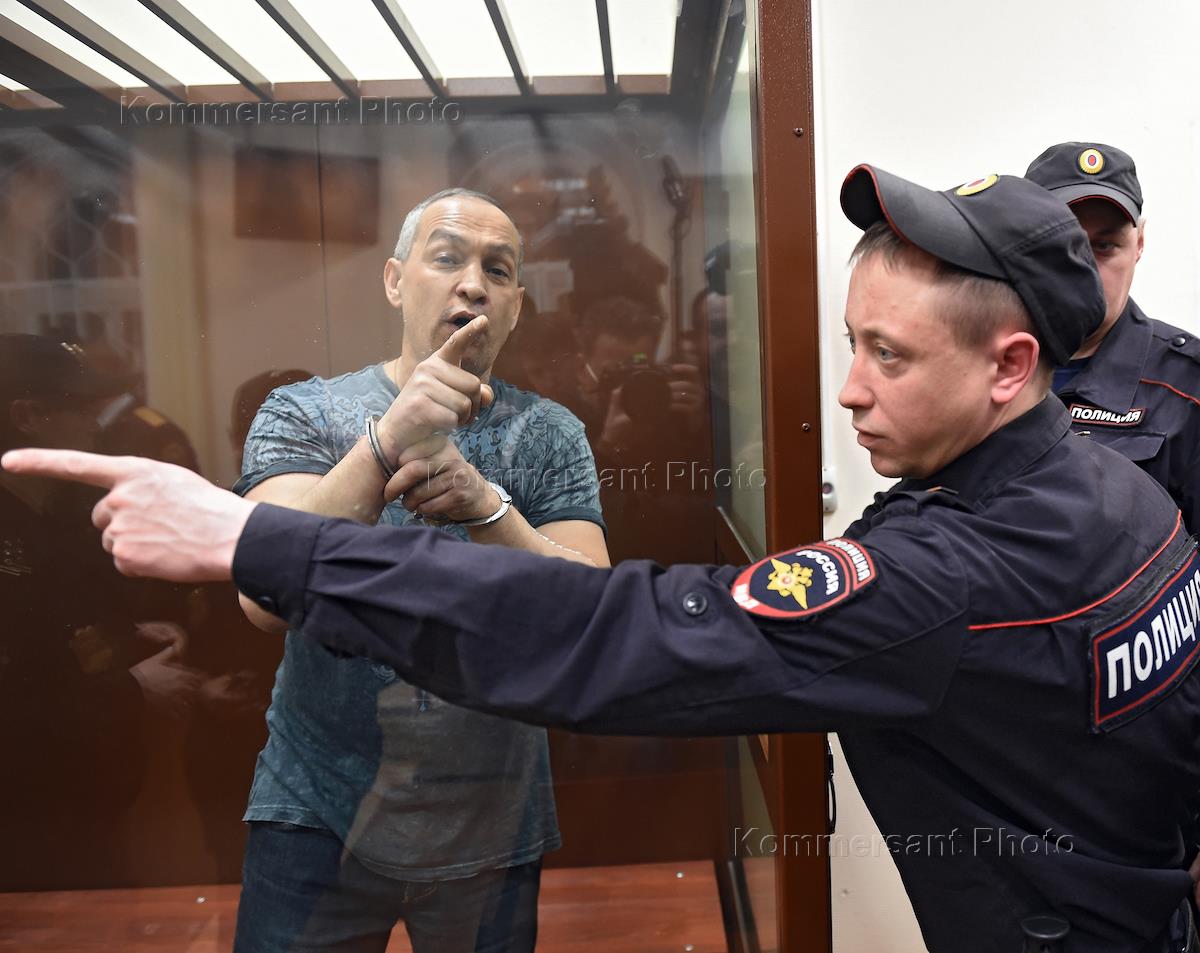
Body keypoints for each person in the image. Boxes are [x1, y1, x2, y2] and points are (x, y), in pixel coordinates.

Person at [9, 167, 1200, 952]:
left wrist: (263, 536)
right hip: (322, 797)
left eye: (886, 355)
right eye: (852, 343)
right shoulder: (1126, 497)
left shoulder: (957, 568)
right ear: (393, 279)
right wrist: (372, 457)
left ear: (1009, 366)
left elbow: (612, 629)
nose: (846, 390)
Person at [226, 188, 607, 953]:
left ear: (517, 305)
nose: (473, 284)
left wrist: (486, 506)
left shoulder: (550, 434)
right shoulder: (303, 412)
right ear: (396, 280)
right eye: (447, 258)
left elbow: (591, 613)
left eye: (497, 270)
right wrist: (384, 441)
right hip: (316, 806)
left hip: (492, 817)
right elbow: (263, 595)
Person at [1026, 141, 1200, 530]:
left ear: (1139, 244)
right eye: (1064, 245)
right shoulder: (979, 370)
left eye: (1105, 246)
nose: (1085, 269)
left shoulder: (1189, 390)